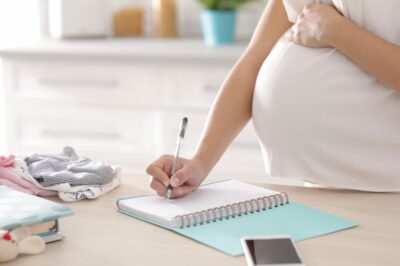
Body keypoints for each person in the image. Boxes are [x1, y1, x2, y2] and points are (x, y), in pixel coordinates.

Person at [146, 0, 400, 197]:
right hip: (323, 186)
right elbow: (252, 62)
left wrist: (335, 31)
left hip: (387, 191)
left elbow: (326, 27)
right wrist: (200, 162)